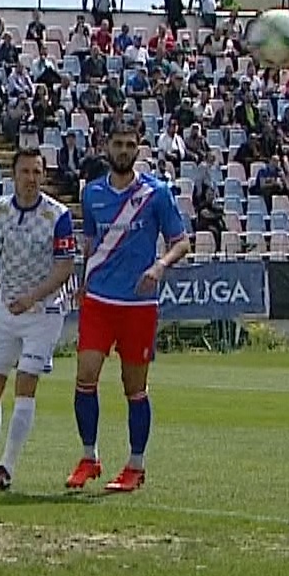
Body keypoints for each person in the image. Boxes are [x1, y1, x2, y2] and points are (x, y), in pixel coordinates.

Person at [65, 121, 191, 493]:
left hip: (138, 304)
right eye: (117, 143)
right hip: (100, 299)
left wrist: (159, 265)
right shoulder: (92, 194)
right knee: (85, 375)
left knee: (134, 386)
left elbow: (181, 241)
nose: (123, 150)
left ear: (139, 149)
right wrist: (83, 280)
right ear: (106, 147)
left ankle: (135, 465)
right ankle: (89, 457)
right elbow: (91, 241)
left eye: (129, 144)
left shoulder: (157, 193)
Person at [0, 147, 79, 490]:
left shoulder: (58, 215)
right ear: (14, 175)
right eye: (25, 172)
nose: (31, 179)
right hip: (6, 309)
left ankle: (7, 466)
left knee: (26, 383)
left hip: (44, 311)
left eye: (37, 172)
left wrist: (33, 297)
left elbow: (65, 267)